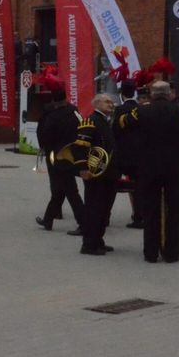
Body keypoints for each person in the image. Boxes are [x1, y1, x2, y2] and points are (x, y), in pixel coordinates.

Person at [117, 80, 179, 263]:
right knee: (173, 208)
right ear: (169, 93)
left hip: (148, 166)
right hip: (173, 166)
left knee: (150, 208)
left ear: (151, 94)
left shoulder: (141, 110)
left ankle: (151, 252)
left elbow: (123, 123)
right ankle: (171, 253)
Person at [73, 93, 119, 255]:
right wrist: (83, 168)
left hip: (109, 173)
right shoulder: (90, 121)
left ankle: (98, 240)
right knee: (94, 208)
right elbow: (80, 147)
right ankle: (89, 244)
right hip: (95, 173)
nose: (111, 104)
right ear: (97, 104)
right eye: (107, 102)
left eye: (112, 102)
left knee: (105, 209)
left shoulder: (106, 121)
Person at [35, 84, 84, 232]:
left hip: (57, 157)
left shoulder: (53, 117)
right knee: (59, 190)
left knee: (70, 191)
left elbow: (46, 137)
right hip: (73, 154)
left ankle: (84, 222)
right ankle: (48, 220)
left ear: (54, 101)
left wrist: (45, 149)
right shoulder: (74, 111)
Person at [112, 82, 144, 228]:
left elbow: (115, 131)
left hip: (122, 153)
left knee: (111, 185)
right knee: (138, 186)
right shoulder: (142, 109)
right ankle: (139, 216)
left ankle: (104, 216)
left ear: (122, 93)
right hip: (139, 154)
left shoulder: (119, 110)